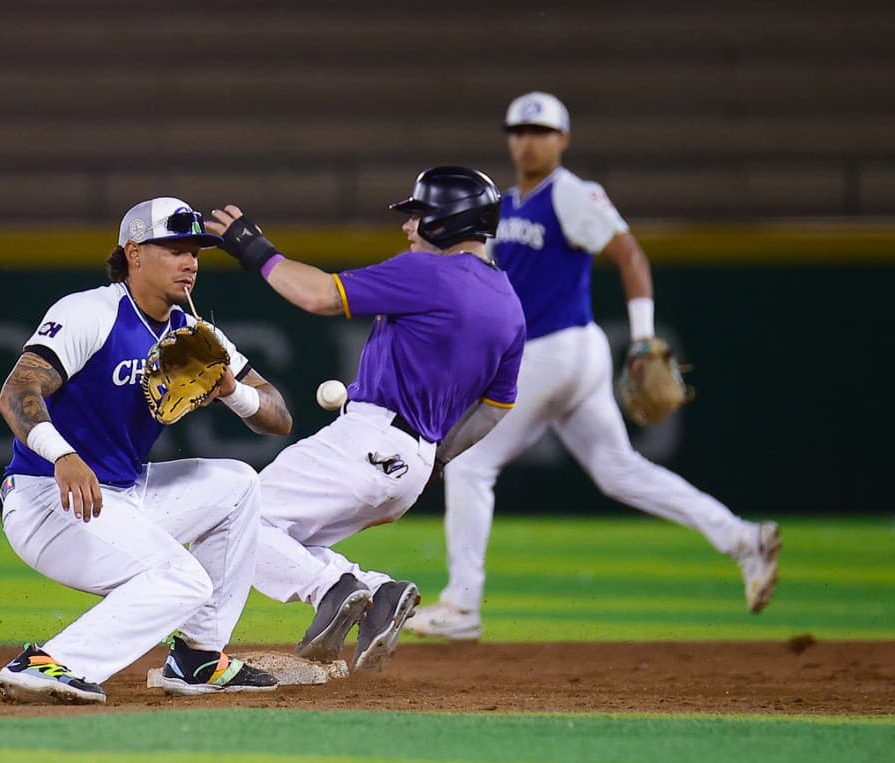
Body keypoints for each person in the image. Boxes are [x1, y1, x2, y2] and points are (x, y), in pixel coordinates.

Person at [404, 92, 782, 642]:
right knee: (619, 471)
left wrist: (644, 336)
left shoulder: (571, 193)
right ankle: (744, 540)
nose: (528, 141)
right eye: (519, 131)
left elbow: (629, 254)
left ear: (563, 140)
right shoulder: (507, 204)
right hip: (564, 356)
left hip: (557, 347)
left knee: (470, 463)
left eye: (541, 132)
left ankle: (462, 605)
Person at [207, 167, 526, 672]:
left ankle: (331, 588)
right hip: (413, 466)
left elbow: (319, 295)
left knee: (230, 520)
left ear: (448, 220)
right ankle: (379, 595)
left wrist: (255, 249)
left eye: (418, 214)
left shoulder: (430, 273)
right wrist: (438, 460)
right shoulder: (510, 306)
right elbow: (494, 408)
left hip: (367, 439)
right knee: (284, 537)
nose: (408, 226)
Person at [0, 196, 293, 702]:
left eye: (194, 251)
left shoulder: (194, 333)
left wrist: (232, 391)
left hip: (122, 494)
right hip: (49, 498)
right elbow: (16, 392)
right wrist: (62, 455)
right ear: (133, 253)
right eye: (175, 249)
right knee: (184, 579)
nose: (190, 262)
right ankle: (52, 663)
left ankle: (199, 658)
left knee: (239, 483)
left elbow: (278, 417)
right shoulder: (91, 312)